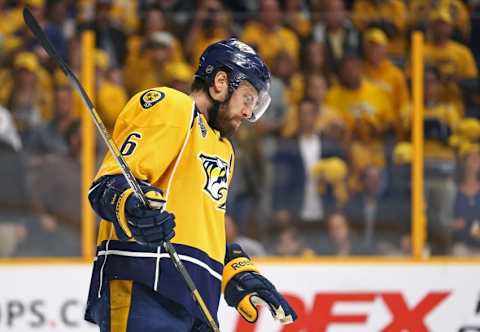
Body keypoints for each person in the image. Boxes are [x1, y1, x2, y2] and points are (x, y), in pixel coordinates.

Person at [85, 39, 297, 331]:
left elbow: (198, 226)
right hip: (147, 287)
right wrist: (131, 206)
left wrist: (235, 270)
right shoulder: (173, 106)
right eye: (248, 98)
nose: (249, 113)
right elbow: (107, 186)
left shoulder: (224, 148)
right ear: (221, 82)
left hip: (196, 303)